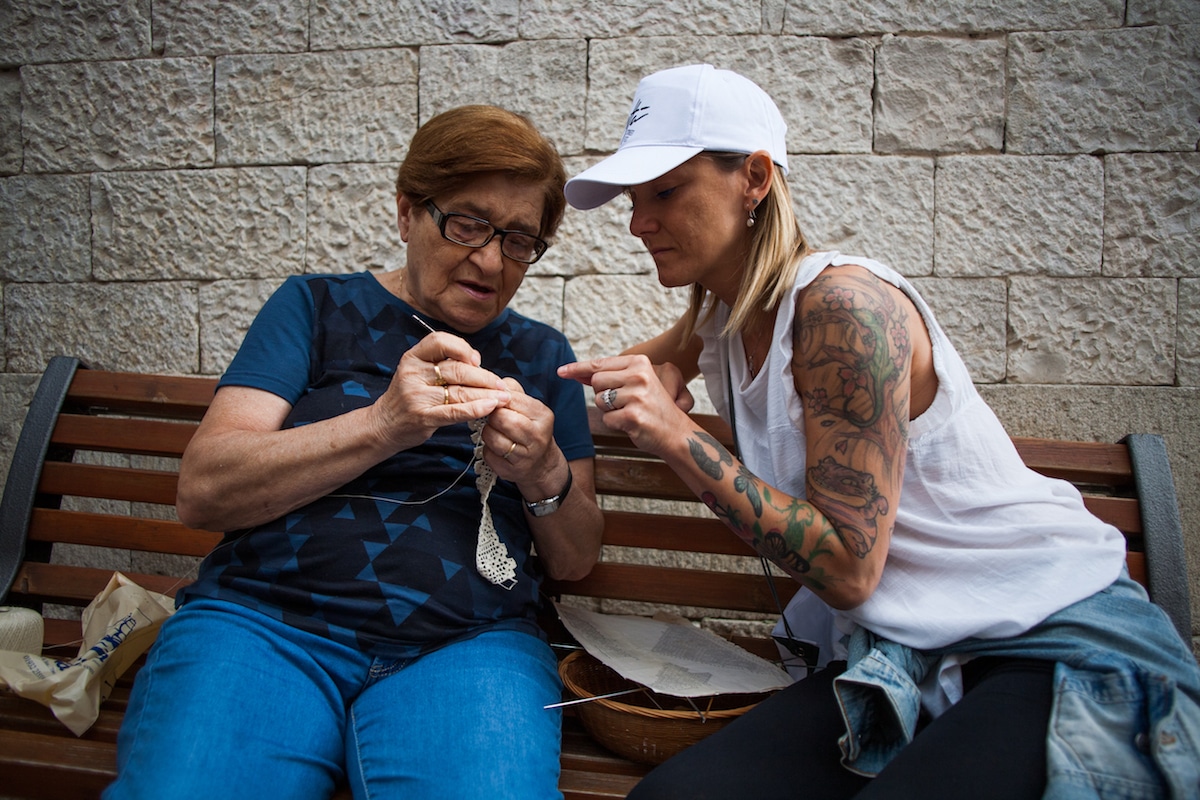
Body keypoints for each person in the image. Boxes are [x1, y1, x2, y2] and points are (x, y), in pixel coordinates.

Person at [558, 64, 1200, 799]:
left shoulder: (845, 307)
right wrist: (507, 397)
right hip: (894, 658)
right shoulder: (719, 322)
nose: (640, 222)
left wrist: (677, 436)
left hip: (1044, 642)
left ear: (756, 179)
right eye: (634, 200)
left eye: (666, 192)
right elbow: (588, 390)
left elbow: (850, 569)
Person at [104, 105, 604, 800]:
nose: (491, 259)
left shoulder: (543, 356)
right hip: (264, 627)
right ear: (406, 213)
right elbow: (203, 491)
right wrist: (383, 425)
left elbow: (576, 557)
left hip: (468, 648)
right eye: (467, 223)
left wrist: (544, 472)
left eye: (519, 239)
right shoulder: (314, 308)